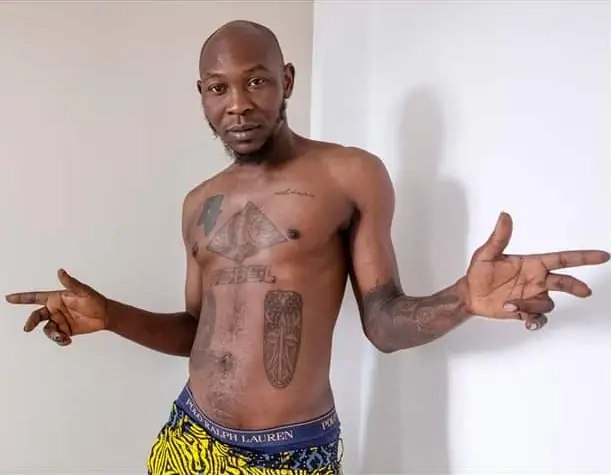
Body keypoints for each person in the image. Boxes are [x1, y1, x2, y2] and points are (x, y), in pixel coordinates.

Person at [6, 19, 609, 475]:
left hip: (291, 455)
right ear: (202, 95)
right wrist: (110, 316)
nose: (238, 103)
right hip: (188, 438)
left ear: (287, 80)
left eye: (256, 80)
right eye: (218, 87)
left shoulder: (349, 175)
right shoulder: (198, 204)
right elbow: (196, 332)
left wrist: (463, 298)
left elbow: (384, 323)